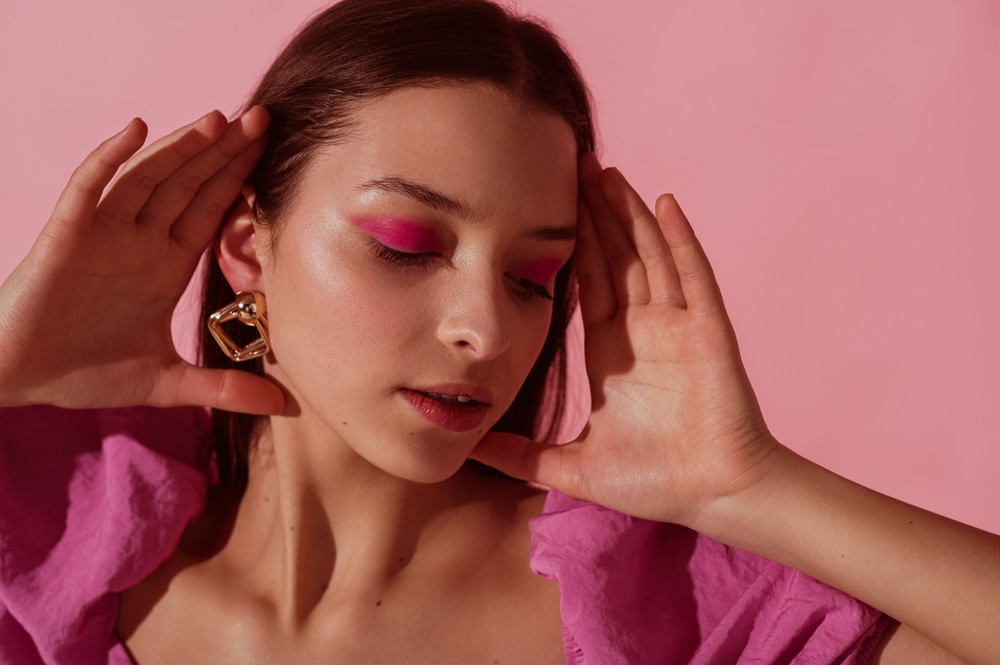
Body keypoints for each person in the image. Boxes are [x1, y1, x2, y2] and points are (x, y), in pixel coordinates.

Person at [0, 0, 996, 663]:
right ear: (249, 250)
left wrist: (747, 487)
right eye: (404, 244)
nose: (485, 326)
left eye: (532, 274)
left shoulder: (665, 605)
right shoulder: (47, 542)